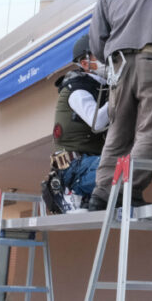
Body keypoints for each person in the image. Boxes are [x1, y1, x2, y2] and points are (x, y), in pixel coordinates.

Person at [87, 0, 152, 210]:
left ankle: (102, 192)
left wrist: (113, 58)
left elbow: (96, 43)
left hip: (118, 66)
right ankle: (128, 189)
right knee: (149, 128)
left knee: (118, 129)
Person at [41, 34, 109, 213]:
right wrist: (119, 99)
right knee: (114, 167)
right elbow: (98, 122)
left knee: (124, 167)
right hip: (73, 167)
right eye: (99, 55)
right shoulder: (77, 89)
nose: (105, 58)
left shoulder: (101, 86)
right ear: (85, 63)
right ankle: (71, 192)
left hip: (88, 161)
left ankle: (91, 196)